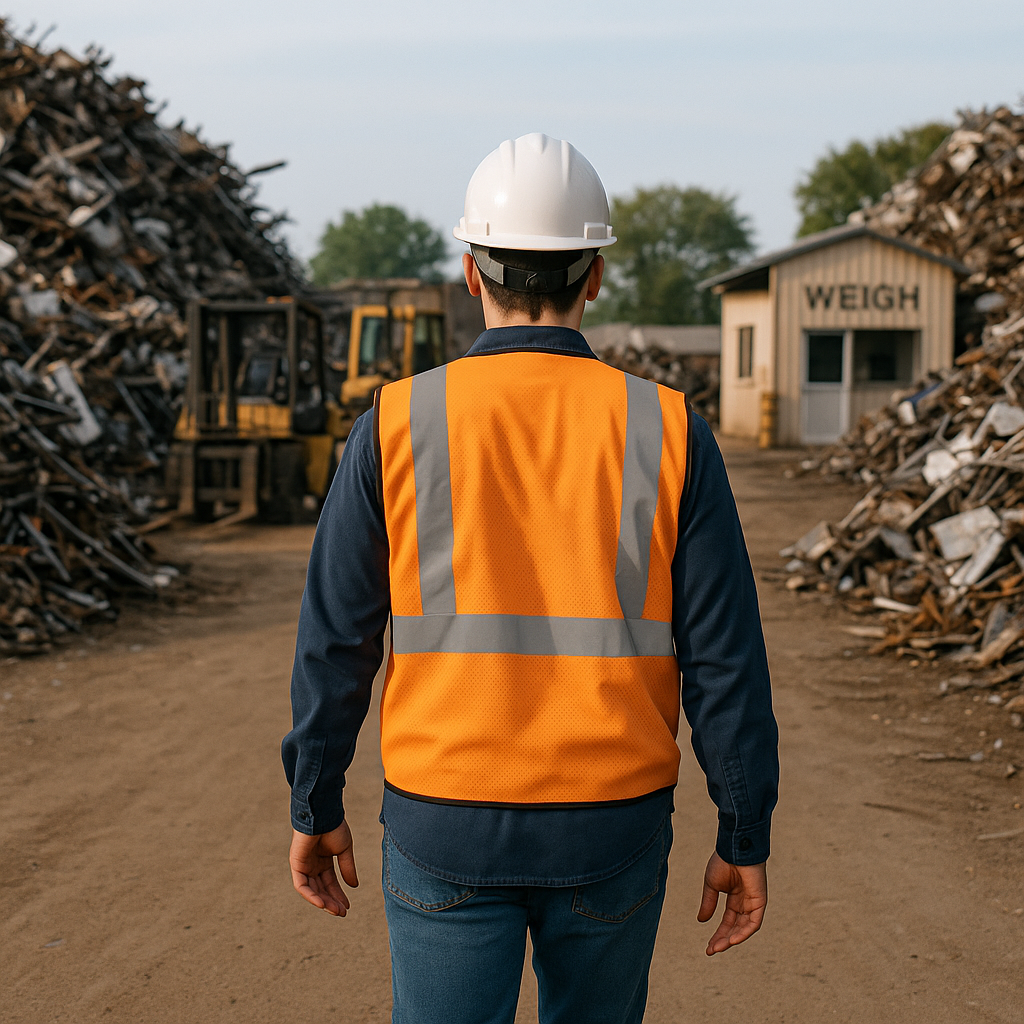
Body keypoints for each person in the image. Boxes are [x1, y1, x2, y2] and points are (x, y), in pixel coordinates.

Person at [283, 133, 779, 1024]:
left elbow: (335, 641)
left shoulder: (395, 422)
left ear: (471, 272)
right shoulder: (668, 430)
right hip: (612, 825)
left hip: (443, 821)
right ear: (595, 276)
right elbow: (726, 660)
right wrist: (744, 829)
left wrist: (313, 799)